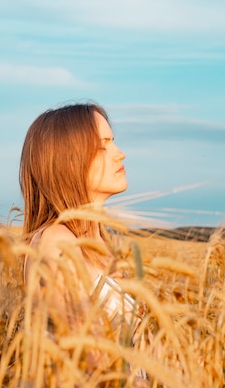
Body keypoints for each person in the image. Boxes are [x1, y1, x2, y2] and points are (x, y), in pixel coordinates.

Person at [19, 102, 142, 340]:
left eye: (113, 141)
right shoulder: (58, 244)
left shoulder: (104, 246)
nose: (120, 153)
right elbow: (87, 359)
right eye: (102, 146)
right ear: (70, 161)